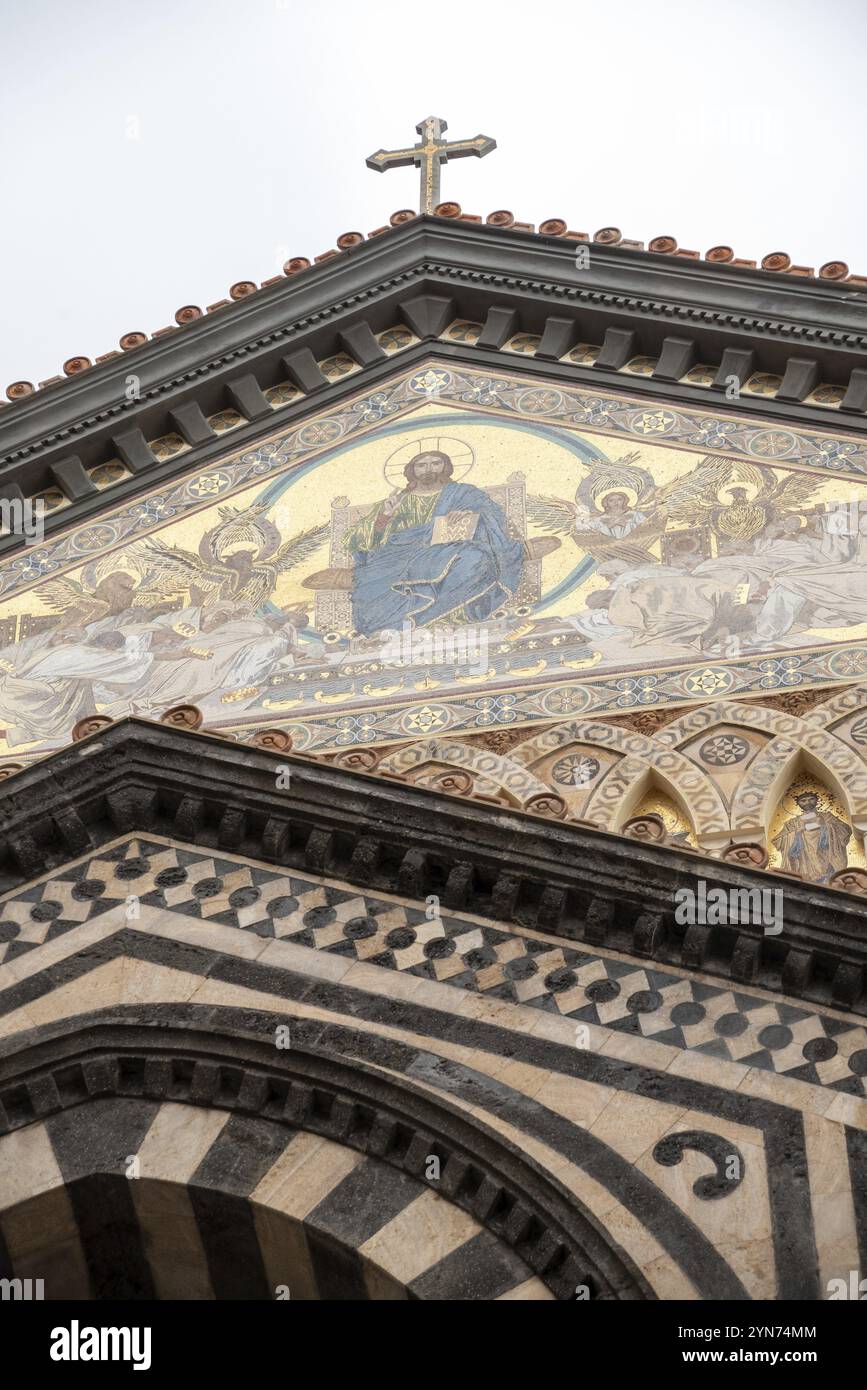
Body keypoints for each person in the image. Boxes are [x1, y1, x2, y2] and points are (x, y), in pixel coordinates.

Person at [343, 450, 524, 636]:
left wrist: (470, 514)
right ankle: (406, 621)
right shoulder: (397, 500)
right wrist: (385, 516)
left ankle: (433, 618)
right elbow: (357, 541)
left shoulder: (463, 493)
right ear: (412, 470)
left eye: (436, 463)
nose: (429, 469)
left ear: (446, 467)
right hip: (400, 555)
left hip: (450, 549)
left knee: (476, 559)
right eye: (421, 465)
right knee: (373, 580)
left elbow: (493, 515)